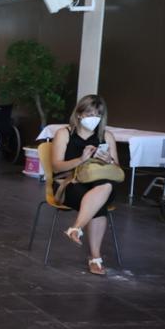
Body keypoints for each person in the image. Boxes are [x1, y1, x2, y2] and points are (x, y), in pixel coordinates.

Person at [52, 94, 120, 276]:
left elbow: (117, 169)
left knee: (105, 187)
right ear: (79, 114)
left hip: (100, 182)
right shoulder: (64, 133)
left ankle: (76, 228)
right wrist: (80, 160)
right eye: (89, 113)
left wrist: (109, 160)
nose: (94, 118)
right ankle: (94, 257)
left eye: (98, 114)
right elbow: (56, 166)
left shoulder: (107, 136)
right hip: (70, 183)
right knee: (100, 203)